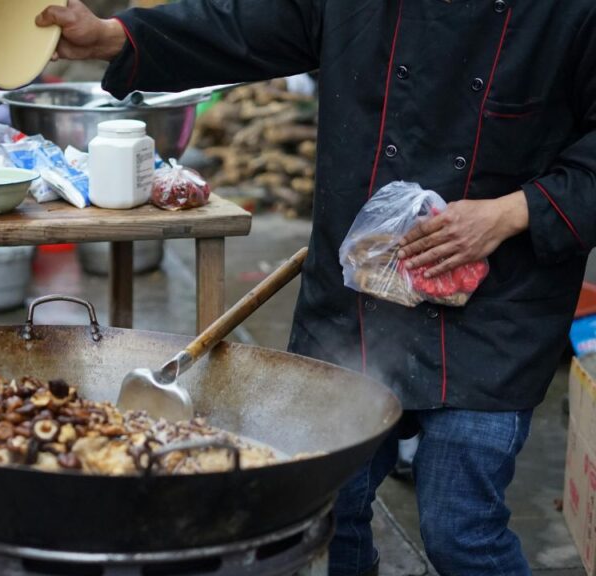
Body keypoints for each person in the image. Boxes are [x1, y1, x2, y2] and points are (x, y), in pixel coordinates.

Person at [36, 1, 596, 574]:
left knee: (460, 527)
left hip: (494, 311)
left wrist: (513, 211)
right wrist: (115, 35)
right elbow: (242, 24)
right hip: (359, 301)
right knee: (326, 506)